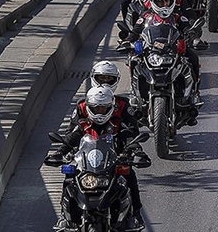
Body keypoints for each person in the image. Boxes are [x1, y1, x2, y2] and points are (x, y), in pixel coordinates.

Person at [44, 86, 147, 230]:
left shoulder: (118, 122)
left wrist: (136, 152)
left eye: (104, 109)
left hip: (113, 161)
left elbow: (129, 136)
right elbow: (71, 138)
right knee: (69, 177)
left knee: (129, 175)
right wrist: (60, 152)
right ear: (89, 108)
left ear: (111, 108)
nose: (100, 112)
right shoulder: (83, 124)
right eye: (96, 109)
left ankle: (135, 214)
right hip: (86, 163)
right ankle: (64, 217)